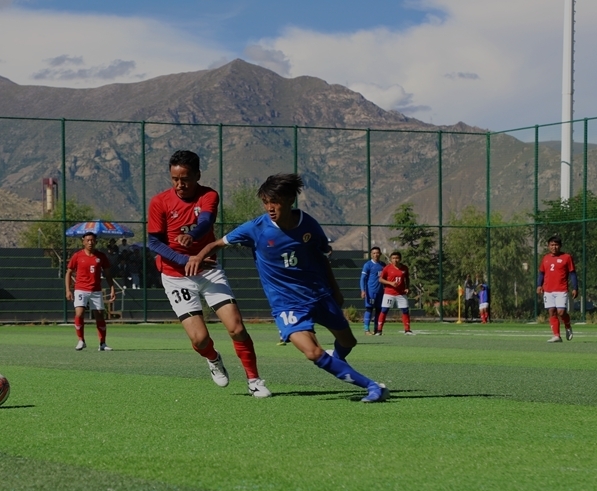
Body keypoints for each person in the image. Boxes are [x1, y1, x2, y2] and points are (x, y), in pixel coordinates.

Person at [188, 173, 387, 403]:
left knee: (348, 342)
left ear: (290, 199)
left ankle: (338, 362)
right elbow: (217, 243)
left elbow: (322, 256)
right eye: (265, 202)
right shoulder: (256, 228)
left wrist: (335, 289)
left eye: (275, 201)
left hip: (319, 295)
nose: (269, 208)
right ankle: (372, 386)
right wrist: (198, 257)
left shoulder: (308, 224)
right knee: (312, 352)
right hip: (287, 304)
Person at [146, 149, 269, 398]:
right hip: (175, 276)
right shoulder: (159, 202)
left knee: (236, 328)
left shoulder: (209, 195)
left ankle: (254, 380)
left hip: (208, 271)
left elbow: (205, 222)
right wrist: (184, 259)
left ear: (197, 175)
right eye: (175, 179)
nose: (180, 185)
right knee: (199, 339)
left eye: (185, 179)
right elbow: (154, 243)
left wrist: (192, 238)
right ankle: (213, 358)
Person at [66, 231, 116, 351]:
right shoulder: (77, 256)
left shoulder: (101, 256)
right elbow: (68, 272)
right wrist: (68, 290)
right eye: (88, 240)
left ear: (96, 242)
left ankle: (102, 343)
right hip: (80, 289)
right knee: (79, 313)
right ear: (83, 242)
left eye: (92, 240)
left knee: (99, 315)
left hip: (96, 290)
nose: (90, 242)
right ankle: (81, 340)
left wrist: (112, 288)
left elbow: (108, 274)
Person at [537, 235, 578, 343]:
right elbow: (541, 273)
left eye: (556, 245)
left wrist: (575, 288)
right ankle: (556, 336)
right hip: (548, 290)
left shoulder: (567, 257)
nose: (554, 247)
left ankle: (567, 325)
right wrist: (539, 285)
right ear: (548, 246)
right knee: (551, 312)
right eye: (552, 245)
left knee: (561, 312)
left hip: (561, 289)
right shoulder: (545, 258)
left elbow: (572, 273)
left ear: (560, 246)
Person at [373, 251, 412, 335]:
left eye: (397, 258)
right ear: (390, 259)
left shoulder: (404, 268)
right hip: (389, 293)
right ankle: (379, 330)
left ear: (400, 259)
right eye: (393, 258)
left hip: (401, 293)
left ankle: (407, 330)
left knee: (405, 310)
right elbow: (380, 279)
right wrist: (390, 283)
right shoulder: (387, 268)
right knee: (384, 310)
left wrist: (407, 287)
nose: (395, 260)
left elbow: (407, 278)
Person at [359, 247, 385, 335]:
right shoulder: (368, 265)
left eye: (377, 253)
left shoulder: (383, 265)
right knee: (369, 309)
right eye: (374, 253)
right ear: (371, 254)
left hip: (380, 292)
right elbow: (362, 279)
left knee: (379, 310)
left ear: (380, 254)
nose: (375, 255)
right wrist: (363, 290)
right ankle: (366, 330)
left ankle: (376, 329)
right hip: (370, 291)